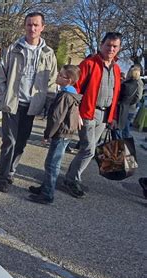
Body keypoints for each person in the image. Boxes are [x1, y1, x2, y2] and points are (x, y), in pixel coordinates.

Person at [0, 12, 57, 193]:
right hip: (12, 102)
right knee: (9, 141)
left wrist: (48, 103)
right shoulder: (13, 48)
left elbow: (51, 81)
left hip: (31, 105)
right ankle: (3, 176)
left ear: (42, 27)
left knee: (21, 143)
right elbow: (1, 74)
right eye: (29, 24)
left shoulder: (48, 53)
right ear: (25, 26)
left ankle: (11, 171)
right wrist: (3, 94)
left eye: (36, 25)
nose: (32, 28)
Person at [63, 32, 122, 198]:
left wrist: (113, 117)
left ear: (119, 48)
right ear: (101, 45)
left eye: (115, 46)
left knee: (90, 149)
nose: (111, 49)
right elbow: (77, 88)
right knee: (88, 149)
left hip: (104, 115)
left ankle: (73, 176)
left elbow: (115, 94)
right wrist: (76, 112)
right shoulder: (89, 63)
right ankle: (71, 179)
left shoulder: (116, 68)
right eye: (108, 45)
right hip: (89, 112)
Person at [27, 65, 82, 204]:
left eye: (60, 75)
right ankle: (45, 187)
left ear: (68, 80)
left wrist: (47, 135)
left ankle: (47, 194)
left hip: (61, 133)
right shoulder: (70, 93)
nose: (57, 76)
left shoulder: (65, 95)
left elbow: (56, 118)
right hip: (65, 132)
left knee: (52, 164)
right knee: (51, 163)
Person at [117, 65, 143, 138]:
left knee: (125, 127)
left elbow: (138, 97)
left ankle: (125, 144)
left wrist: (129, 102)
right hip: (129, 107)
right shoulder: (130, 81)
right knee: (124, 126)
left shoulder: (138, 82)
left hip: (129, 108)